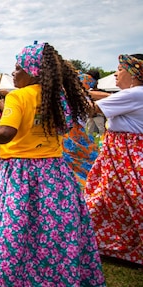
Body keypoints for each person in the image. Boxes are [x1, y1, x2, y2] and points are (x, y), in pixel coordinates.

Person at [0, 42, 105, 286]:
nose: (13, 73)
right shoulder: (59, 98)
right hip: (55, 173)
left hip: (19, 172)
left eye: (18, 68)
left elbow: (7, 131)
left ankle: (16, 278)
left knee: (16, 228)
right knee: (54, 230)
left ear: (32, 70)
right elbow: (78, 121)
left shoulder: (17, 96)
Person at [85, 53, 143, 266]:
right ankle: (120, 247)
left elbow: (90, 109)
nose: (116, 73)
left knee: (121, 200)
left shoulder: (135, 94)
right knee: (111, 200)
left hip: (126, 157)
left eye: (120, 69)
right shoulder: (135, 94)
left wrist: (68, 94)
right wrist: (87, 91)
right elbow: (104, 97)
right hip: (121, 155)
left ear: (134, 73)